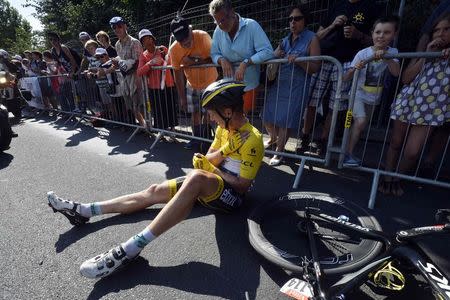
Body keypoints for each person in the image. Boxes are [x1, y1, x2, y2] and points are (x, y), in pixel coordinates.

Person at [46, 80, 264, 279]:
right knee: (154, 190)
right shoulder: (223, 129)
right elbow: (209, 159)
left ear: (227, 111)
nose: (210, 118)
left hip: (233, 197)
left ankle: (132, 247)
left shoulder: (252, 139)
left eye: (212, 114)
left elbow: (242, 187)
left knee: (197, 176)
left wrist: (212, 169)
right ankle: (85, 210)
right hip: (209, 183)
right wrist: (227, 149)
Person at [378, 13, 450, 196]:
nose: (440, 34)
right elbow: (406, 78)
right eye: (437, 30)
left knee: (412, 152)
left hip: (432, 110)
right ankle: (387, 177)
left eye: (446, 29)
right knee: (395, 143)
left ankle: (397, 177)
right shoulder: (424, 52)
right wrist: (426, 56)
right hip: (408, 102)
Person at [300, 0, 380, 155]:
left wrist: (358, 35)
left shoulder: (372, 8)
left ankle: (323, 141)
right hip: (324, 59)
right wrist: (332, 26)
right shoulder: (336, 5)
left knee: (336, 105)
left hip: (348, 62)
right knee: (311, 101)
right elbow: (316, 36)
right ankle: (305, 136)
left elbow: (375, 41)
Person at [262, 5, 321, 166]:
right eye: (290, 19)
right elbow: (270, 57)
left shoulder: (312, 38)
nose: (293, 22)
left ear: (305, 20)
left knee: (286, 121)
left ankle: (279, 152)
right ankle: (274, 139)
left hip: (297, 86)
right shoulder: (285, 40)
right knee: (267, 116)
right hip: (280, 84)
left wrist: (300, 62)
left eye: (297, 18)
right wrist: (275, 55)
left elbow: (316, 66)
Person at [343, 16, 401, 167]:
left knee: (360, 125)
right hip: (357, 94)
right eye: (378, 32)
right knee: (360, 121)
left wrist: (387, 58)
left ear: (394, 34)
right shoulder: (362, 53)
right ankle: (347, 155)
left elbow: (396, 73)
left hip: (374, 97)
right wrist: (355, 69)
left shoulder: (393, 51)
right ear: (372, 34)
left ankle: (347, 152)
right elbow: (346, 77)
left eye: (386, 32)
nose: (381, 36)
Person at [209, 0, 273, 114]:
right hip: (228, 86)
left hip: (249, 85)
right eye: (217, 21)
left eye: (223, 20)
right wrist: (221, 60)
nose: (220, 25)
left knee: (243, 119)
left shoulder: (251, 25)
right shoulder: (218, 31)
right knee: (229, 119)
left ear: (232, 13)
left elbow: (267, 51)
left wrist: (246, 62)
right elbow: (214, 54)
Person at [169, 17, 218, 150]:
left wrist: (194, 61)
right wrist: (182, 97)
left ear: (190, 29)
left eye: (186, 36)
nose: (185, 41)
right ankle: (196, 139)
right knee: (195, 113)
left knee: (209, 113)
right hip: (192, 84)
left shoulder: (203, 37)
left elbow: (215, 58)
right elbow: (177, 73)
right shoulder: (174, 50)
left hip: (210, 83)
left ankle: (208, 139)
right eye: (180, 39)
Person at [102, 16, 147, 130]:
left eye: (119, 26)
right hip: (125, 80)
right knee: (131, 106)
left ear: (125, 26)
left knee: (140, 106)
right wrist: (114, 64)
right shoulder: (117, 44)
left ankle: (148, 127)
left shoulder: (134, 42)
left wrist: (125, 67)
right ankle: (143, 127)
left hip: (136, 78)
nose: (117, 29)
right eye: (114, 27)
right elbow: (120, 63)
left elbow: (139, 62)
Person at [137, 29, 178, 134]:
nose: (146, 41)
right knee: (158, 111)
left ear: (152, 38)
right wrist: (150, 63)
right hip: (154, 88)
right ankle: (161, 131)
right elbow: (139, 72)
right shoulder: (143, 55)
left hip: (168, 85)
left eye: (147, 38)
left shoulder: (162, 49)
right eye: (143, 40)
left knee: (171, 108)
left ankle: (173, 130)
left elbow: (172, 62)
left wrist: (163, 61)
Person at [47, 32, 79, 111]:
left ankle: (81, 109)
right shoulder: (53, 51)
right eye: (51, 40)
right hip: (67, 73)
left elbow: (73, 61)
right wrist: (60, 73)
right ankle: (71, 110)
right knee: (67, 92)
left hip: (76, 70)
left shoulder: (63, 48)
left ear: (58, 40)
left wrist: (72, 72)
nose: (53, 42)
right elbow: (58, 64)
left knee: (79, 92)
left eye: (54, 40)